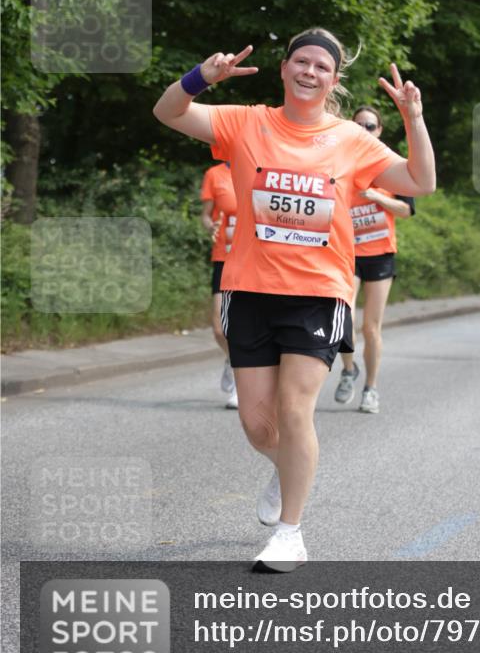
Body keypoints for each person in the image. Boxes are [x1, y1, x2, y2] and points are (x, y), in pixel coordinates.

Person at [153, 29, 436, 571]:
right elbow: (168, 112)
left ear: (333, 80)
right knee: (259, 426)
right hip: (249, 289)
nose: (310, 72)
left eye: (321, 67)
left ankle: (291, 532)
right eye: (301, 62)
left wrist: (413, 117)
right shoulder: (246, 121)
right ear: (284, 69)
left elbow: (421, 181)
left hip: (319, 292)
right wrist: (200, 78)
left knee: (295, 407)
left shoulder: (351, 140)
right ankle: (286, 472)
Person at [334, 105, 415, 414]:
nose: (364, 131)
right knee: (343, 318)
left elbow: (406, 210)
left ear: (379, 131)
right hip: (347, 253)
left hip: (380, 254)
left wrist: (378, 197)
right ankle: (348, 369)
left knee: (371, 328)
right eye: (359, 126)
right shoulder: (341, 163)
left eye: (370, 126)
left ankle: (370, 388)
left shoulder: (390, 165)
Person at [200, 160, 238, 407]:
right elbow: (205, 215)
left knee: (243, 325)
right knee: (218, 327)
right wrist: (210, 226)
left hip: (253, 260)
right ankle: (232, 358)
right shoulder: (214, 174)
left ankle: (238, 382)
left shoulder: (262, 166)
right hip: (223, 257)